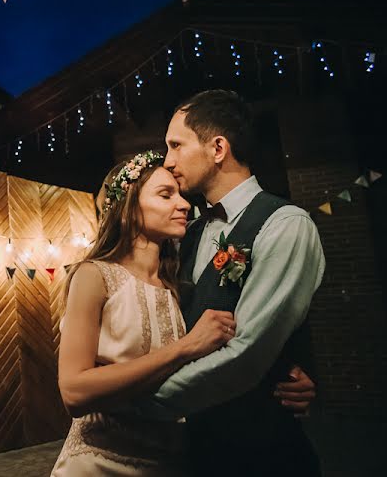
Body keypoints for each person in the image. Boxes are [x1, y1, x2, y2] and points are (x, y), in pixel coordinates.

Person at [51, 144, 316, 475]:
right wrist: (185, 347)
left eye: (179, 194)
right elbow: (74, 392)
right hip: (100, 463)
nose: (183, 204)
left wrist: (283, 375)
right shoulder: (93, 275)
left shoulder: (179, 281)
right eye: (165, 195)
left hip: (173, 464)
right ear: (129, 208)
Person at [126, 88, 325, 476]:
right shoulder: (189, 233)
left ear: (218, 148)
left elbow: (249, 353)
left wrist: (138, 404)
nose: (168, 161)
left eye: (176, 145)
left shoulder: (285, 225)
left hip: (261, 454)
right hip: (193, 452)